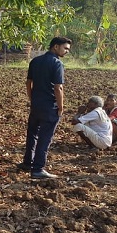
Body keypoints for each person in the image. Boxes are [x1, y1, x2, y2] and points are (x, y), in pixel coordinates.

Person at [18, 37, 72, 179]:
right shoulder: (57, 64)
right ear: (55, 47)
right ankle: (38, 168)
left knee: (32, 134)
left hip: (36, 105)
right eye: (65, 48)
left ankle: (27, 162)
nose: (66, 51)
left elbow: (28, 83)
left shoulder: (35, 61)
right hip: (50, 106)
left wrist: (32, 99)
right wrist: (60, 107)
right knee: (45, 137)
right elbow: (58, 87)